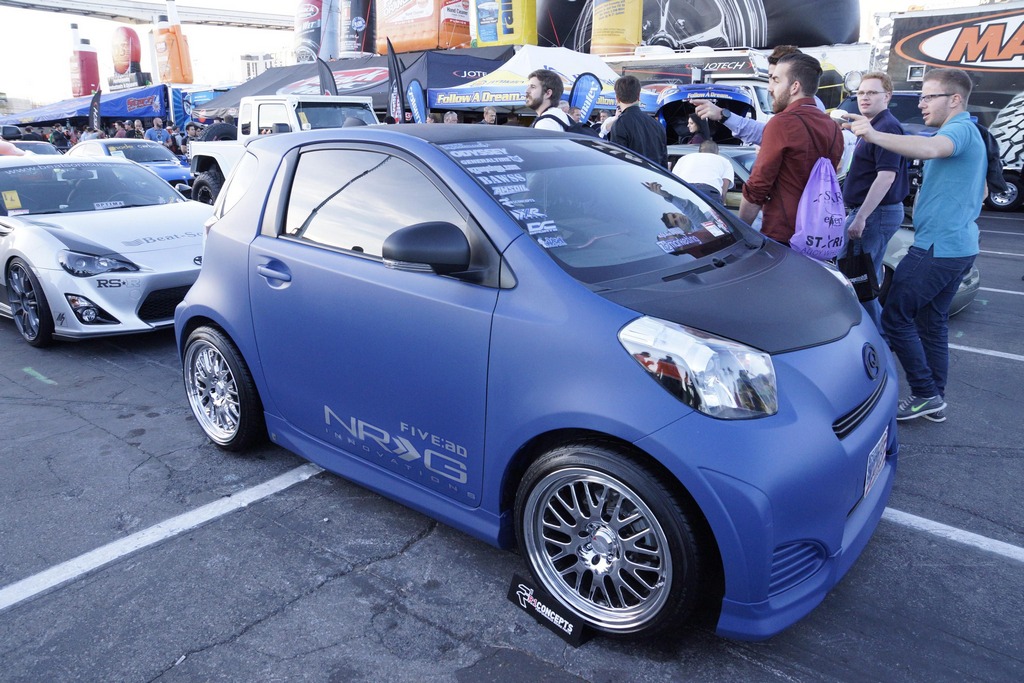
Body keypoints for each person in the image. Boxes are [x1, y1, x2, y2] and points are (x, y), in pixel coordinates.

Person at [845, 68, 984, 423]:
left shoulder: (958, 130)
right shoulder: (968, 132)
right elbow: (981, 189)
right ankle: (933, 397)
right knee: (931, 322)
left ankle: (924, 392)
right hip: (956, 244)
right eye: (921, 96)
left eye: (929, 97)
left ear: (955, 99)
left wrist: (872, 133)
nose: (921, 104)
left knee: (894, 317)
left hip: (938, 247)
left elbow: (929, 148)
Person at [739, 53, 843, 245]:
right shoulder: (833, 127)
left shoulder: (782, 123)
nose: (770, 88)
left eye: (776, 80)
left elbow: (757, 187)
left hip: (784, 235)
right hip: (819, 235)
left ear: (795, 87)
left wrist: (740, 232)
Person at [840, 71, 910, 330]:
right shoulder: (874, 125)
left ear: (887, 96)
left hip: (875, 213)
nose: (864, 97)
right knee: (860, 277)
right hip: (873, 212)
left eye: (872, 92)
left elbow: (886, 177)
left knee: (857, 278)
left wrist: (861, 217)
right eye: (860, 93)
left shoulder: (886, 127)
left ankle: (877, 334)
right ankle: (874, 333)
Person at [693, 45, 826, 145]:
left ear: (794, 84)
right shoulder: (810, 110)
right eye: (770, 78)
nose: (770, 87)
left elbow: (766, 134)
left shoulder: (805, 112)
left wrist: (722, 115)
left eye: (775, 79)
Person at [609, 75, 668, 168]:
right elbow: (664, 163)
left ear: (617, 98)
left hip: (632, 176)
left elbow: (618, 163)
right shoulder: (657, 125)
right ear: (639, 96)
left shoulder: (619, 124)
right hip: (655, 176)